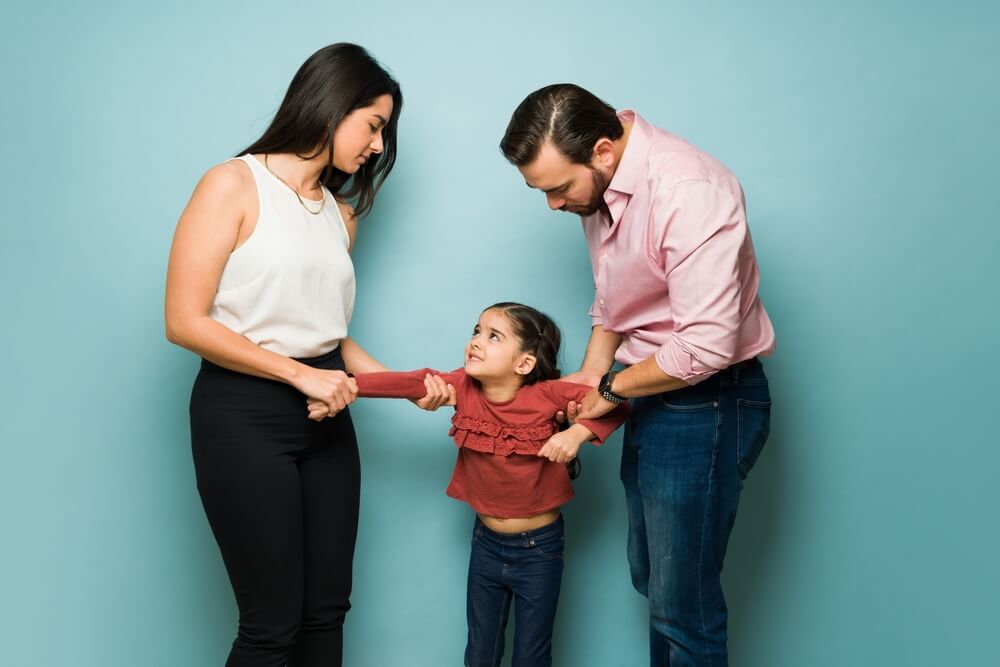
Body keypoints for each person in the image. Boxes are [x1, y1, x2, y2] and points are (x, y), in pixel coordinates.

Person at [164, 43, 453, 667]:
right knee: (270, 626)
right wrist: (301, 376)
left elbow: (327, 334)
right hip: (242, 414)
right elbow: (184, 321)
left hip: (327, 416)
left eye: (384, 131)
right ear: (332, 105)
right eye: (373, 125)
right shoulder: (232, 184)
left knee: (326, 612)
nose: (378, 145)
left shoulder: (340, 216)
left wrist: (406, 386)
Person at [499, 84, 776, 667]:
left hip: (709, 399)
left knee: (682, 606)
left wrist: (609, 388)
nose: (552, 205)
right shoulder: (602, 187)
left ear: (602, 151)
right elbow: (617, 299)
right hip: (651, 389)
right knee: (654, 581)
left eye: (557, 188)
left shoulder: (689, 191)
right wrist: (592, 372)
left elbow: (703, 347)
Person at [307, 302, 629, 667]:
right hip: (486, 544)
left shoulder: (551, 395)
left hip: (539, 549)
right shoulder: (462, 386)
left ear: (524, 363)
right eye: (477, 331)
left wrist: (576, 435)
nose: (476, 341)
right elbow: (411, 382)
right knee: (479, 652)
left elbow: (617, 406)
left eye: (494, 336)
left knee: (532, 655)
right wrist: (349, 387)